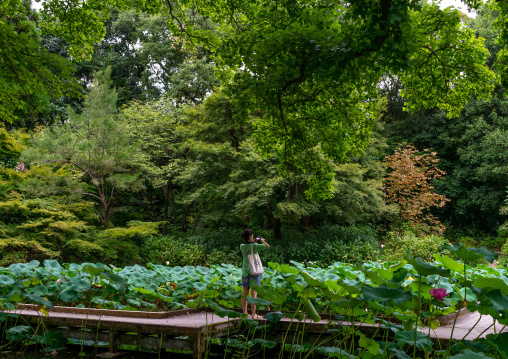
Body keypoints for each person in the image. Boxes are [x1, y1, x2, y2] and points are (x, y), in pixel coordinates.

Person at [240, 229, 270, 319]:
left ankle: (245, 313)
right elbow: (267, 246)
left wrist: (253, 242)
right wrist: (262, 241)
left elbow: (249, 246)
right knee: (254, 294)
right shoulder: (256, 246)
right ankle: (253, 314)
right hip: (254, 271)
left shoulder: (242, 246)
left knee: (245, 293)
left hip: (245, 271)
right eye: (252, 236)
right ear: (250, 237)